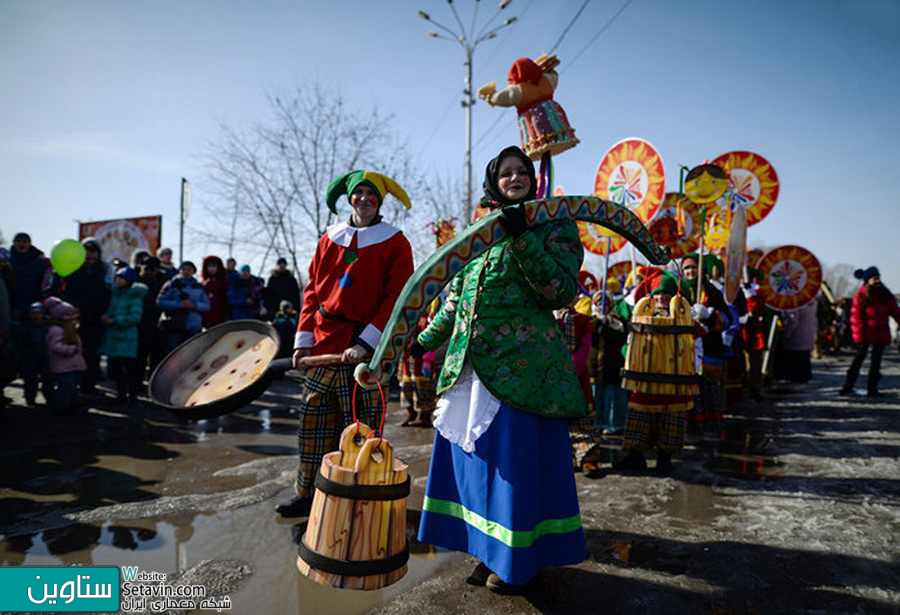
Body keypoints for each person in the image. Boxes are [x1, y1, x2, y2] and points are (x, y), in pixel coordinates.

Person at [414, 146, 586, 594]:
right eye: (505, 173)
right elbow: (458, 297)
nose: (514, 178)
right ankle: (486, 550)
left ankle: (518, 564)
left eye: (521, 171)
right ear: (494, 181)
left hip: (523, 372)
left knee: (514, 471)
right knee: (476, 467)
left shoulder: (554, 223)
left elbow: (559, 291)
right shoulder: (478, 230)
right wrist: (419, 340)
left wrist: (524, 236)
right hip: (471, 368)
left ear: (533, 178)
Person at [276, 169, 414, 518]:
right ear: (349, 198)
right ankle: (307, 493)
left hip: (364, 353)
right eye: (359, 193)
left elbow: (397, 297)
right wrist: (302, 342)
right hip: (323, 347)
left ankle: (361, 498)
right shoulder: (329, 238)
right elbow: (311, 291)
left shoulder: (396, 242)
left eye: (372, 194)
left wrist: (367, 343)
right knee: (313, 425)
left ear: (380, 201)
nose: (364, 199)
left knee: (361, 431)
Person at [614, 273, 699, 474]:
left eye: (666, 294)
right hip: (644, 383)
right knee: (639, 421)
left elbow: (694, 341)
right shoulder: (642, 316)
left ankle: (665, 458)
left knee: (671, 422)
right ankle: (635, 456)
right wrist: (629, 354)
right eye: (658, 294)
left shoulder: (684, 318)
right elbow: (630, 346)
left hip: (675, 382)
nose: (661, 298)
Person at [61, 237, 111, 396]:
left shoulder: (104, 270)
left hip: (96, 318)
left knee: (92, 354)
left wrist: (104, 312)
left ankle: (88, 387)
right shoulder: (73, 269)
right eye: (86, 252)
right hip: (76, 317)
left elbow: (108, 293)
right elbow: (67, 291)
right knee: (74, 352)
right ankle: (73, 387)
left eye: (93, 252)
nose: (90, 256)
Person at [841, 267, 900, 397]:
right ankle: (847, 386)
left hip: (880, 333)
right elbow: (856, 318)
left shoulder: (885, 294)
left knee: (876, 363)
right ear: (868, 280)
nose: (878, 280)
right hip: (865, 334)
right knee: (858, 360)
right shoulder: (861, 296)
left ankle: (872, 390)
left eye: (878, 277)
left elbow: (895, 311)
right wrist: (859, 335)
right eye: (875, 278)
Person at [101, 267, 146, 405]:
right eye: (117, 277)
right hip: (114, 337)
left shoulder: (134, 296)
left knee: (128, 369)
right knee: (116, 369)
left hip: (127, 338)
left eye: (121, 278)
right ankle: (121, 395)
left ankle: (132, 396)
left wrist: (115, 320)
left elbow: (135, 317)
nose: (118, 280)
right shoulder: (115, 294)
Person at [589, 290, 629, 434]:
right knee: (596, 395)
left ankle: (614, 424)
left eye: (605, 302)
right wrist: (598, 323)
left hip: (613, 364)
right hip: (595, 365)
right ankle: (596, 423)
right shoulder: (591, 320)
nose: (602, 305)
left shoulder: (618, 321)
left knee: (613, 395)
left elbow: (620, 338)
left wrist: (606, 325)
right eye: (599, 302)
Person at [43, 297, 87, 415]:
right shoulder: (57, 330)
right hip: (63, 366)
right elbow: (55, 346)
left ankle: (72, 404)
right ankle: (61, 407)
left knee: (72, 387)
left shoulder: (70, 328)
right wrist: (71, 349)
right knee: (65, 388)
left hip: (73, 365)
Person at [156, 261, 209, 354]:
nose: (186, 271)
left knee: (192, 355)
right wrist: (180, 305)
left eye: (189, 269)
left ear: (194, 271)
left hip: (194, 327)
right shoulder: (171, 284)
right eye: (183, 269)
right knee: (173, 354)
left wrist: (194, 305)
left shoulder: (199, 286)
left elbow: (207, 306)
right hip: (174, 325)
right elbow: (160, 302)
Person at [136, 257, 167, 380]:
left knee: (156, 356)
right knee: (140, 356)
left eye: (152, 269)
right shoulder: (137, 281)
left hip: (157, 323)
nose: (149, 272)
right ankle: (137, 382)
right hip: (141, 322)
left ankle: (152, 382)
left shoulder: (163, 281)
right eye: (147, 268)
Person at [19, 302, 51, 406]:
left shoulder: (49, 325)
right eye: (33, 312)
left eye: (38, 312)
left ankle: (49, 399)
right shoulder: (25, 326)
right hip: (30, 358)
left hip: (46, 357)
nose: (36, 315)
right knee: (30, 381)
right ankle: (30, 399)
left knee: (48, 380)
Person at [200, 255, 229, 329]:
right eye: (209, 266)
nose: (211, 268)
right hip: (207, 318)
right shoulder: (203, 283)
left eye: (214, 266)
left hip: (221, 316)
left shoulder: (224, 282)